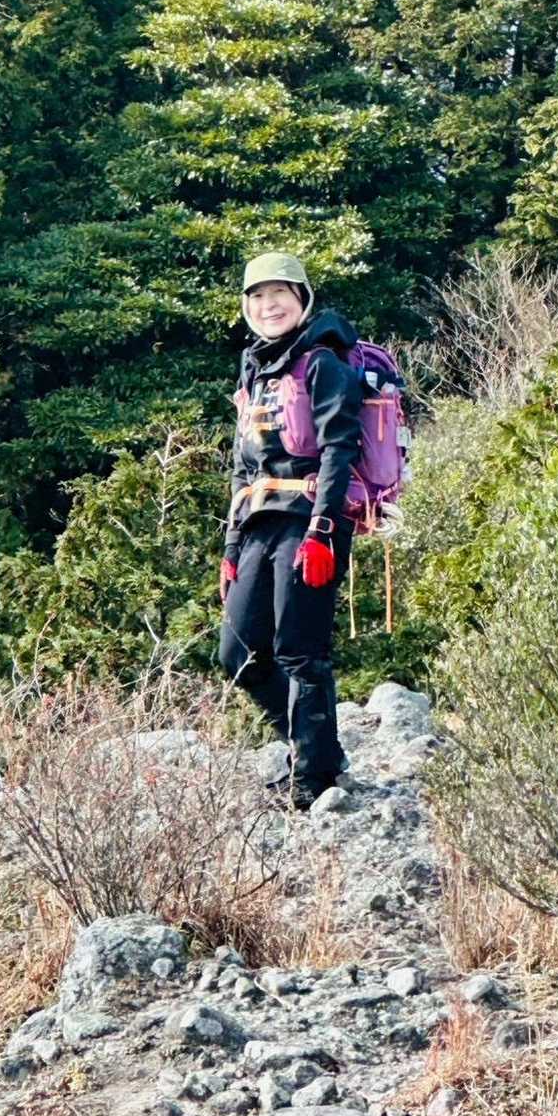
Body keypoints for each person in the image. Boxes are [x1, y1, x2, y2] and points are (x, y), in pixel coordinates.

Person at [218, 251, 362, 808]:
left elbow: (338, 448)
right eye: (257, 296)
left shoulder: (323, 363)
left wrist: (323, 530)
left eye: (279, 293)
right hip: (258, 520)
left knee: (301, 651)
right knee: (238, 654)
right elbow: (242, 464)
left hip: (309, 519)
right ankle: (318, 750)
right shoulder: (254, 368)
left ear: (301, 298)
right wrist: (231, 546)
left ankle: (313, 780)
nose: (268, 305)